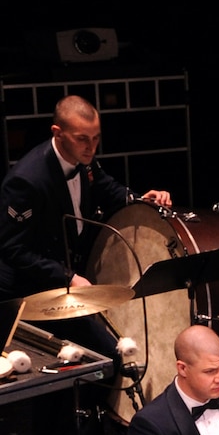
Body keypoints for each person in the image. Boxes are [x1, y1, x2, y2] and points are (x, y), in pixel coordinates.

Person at [0, 94, 172, 302]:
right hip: (29, 291)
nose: (91, 147)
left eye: (96, 137)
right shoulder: (26, 181)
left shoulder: (82, 157)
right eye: (82, 138)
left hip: (71, 281)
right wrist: (68, 277)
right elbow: (14, 250)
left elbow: (106, 187)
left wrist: (141, 200)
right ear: (58, 133)